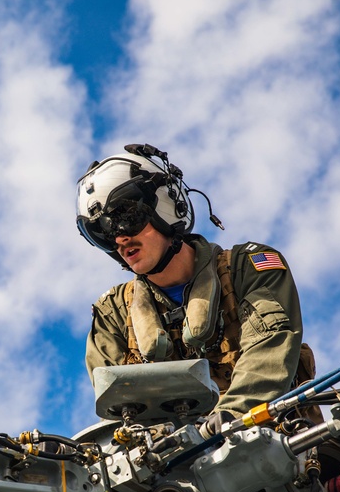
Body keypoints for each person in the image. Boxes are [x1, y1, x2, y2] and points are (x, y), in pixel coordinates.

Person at [76, 144, 313, 428]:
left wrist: (228, 419)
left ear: (166, 206)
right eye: (102, 232)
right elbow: (118, 409)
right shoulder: (112, 313)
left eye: (127, 219)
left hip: (276, 442)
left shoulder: (248, 268)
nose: (119, 239)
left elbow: (269, 353)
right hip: (174, 466)